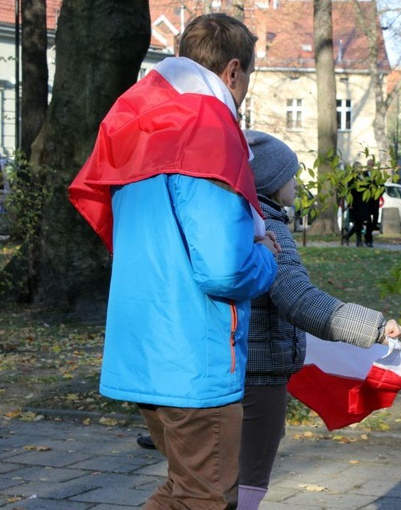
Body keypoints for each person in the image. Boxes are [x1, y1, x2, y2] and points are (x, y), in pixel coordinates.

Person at [68, 13, 280, 510]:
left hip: (148, 351)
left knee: (185, 489)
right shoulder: (207, 128)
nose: (244, 90)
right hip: (195, 359)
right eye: (248, 77)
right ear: (233, 71)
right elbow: (225, 269)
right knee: (205, 497)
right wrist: (267, 257)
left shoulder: (140, 124)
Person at [239, 131, 401, 508]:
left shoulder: (238, 218)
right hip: (260, 373)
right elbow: (298, 300)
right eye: (290, 175)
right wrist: (376, 328)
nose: (295, 183)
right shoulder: (268, 226)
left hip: (232, 366)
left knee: (222, 482)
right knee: (245, 487)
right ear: (269, 180)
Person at [342, 161, 375, 247]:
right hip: (355, 203)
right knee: (357, 223)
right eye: (358, 167)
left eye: (360, 167)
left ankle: (347, 236)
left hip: (364, 203)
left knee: (360, 222)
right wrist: (350, 204)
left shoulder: (364, 176)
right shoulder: (351, 178)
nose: (360, 169)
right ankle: (358, 241)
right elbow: (350, 192)